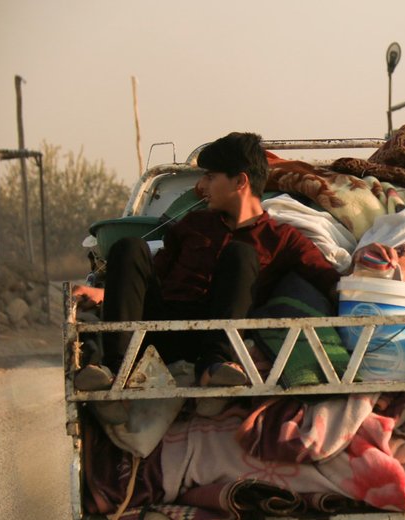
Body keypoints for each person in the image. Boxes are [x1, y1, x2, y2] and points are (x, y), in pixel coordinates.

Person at [73, 132, 340, 396]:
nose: (202, 185)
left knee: (241, 254)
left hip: (213, 338)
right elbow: (152, 278)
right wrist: (105, 294)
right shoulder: (194, 224)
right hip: (162, 328)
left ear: (240, 181)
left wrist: (371, 270)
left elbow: (329, 281)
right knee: (129, 246)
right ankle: (116, 368)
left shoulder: (282, 239)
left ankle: (214, 368)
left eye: (211, 176)